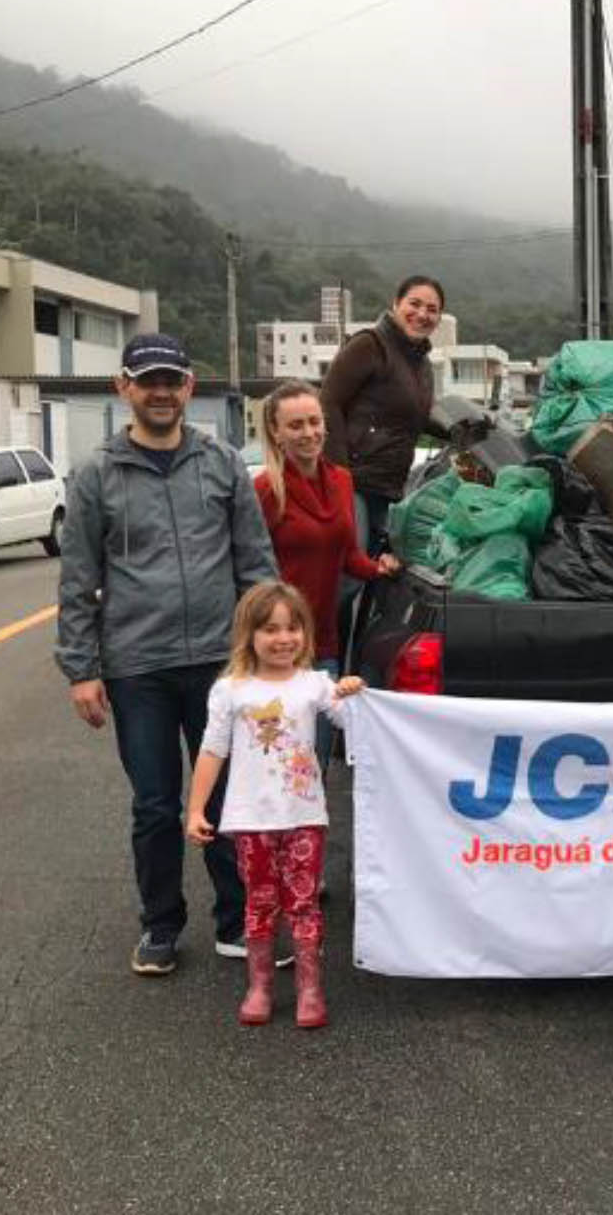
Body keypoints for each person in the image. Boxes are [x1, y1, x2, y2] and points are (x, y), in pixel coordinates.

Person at [56, 332, 277, 977]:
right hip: (138, 666)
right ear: (122, 388)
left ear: (188, 387)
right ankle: (160, 924)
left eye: (171, 380)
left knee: (231, 796)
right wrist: (81, 669)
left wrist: (265, 653)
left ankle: (237, 921)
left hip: (219, 661)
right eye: (146, 380)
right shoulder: (97, 473)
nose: (160, 391)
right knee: (155, 802)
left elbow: (254, 561)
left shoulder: (222, 462)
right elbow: (78, 576)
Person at [184, 582, 366, 1028]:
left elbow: (350, 722)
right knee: (259, 902)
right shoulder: (231, 690)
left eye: (292, 628)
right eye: (270, 629)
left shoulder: (315, 685)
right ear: (249, 635)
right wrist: (196, 809)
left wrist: (351, 692)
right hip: (250, 819)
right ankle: (260, 985)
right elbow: (212, 749)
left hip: (304, 816)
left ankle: (310, 988)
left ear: (305, 633)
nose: (283, 638)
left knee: (303, 903)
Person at [254, 380, 401, 768]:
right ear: (276, 431)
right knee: (273, 761)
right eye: (296, 425)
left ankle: (306, 833)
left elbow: (349, 555)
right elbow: (246, 572)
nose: (309, 433)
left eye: (314, 422)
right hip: (274, 648)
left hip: (323, 644)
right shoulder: (264, 490)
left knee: (313, 763)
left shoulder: (342, 481)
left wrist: (378, 568)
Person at [321, 274, 451, 554]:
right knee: (350, 571)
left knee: (376, 571)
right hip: (353, 482)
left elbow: (418, 416)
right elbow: (328, 403)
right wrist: (339, 475)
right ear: (396, 304)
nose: (422, 314)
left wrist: (463, 430)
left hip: (389, 485)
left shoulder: (422, 365)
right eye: (414, 304)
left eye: (432, 309)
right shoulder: (370, 344)